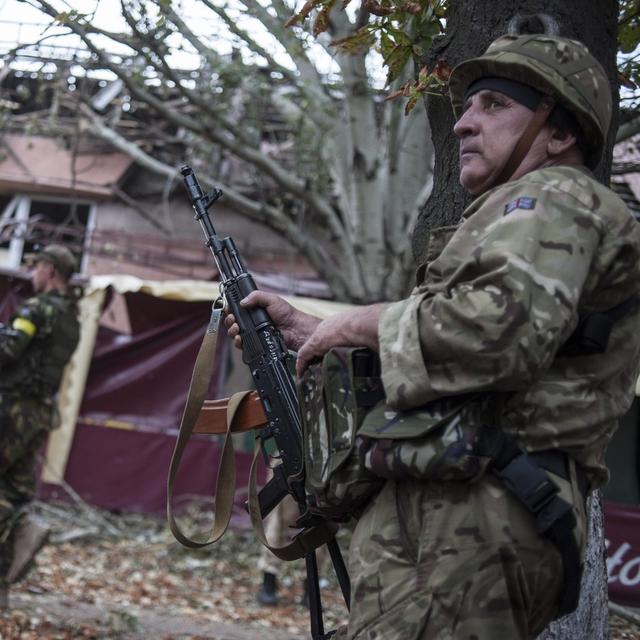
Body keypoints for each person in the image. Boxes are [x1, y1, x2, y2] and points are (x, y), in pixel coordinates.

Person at [226, 33, 640, 639]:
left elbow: (498, 332)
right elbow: (466, 338)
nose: (464, 124)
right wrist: (314, 333)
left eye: (495, 105)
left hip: (477, 518)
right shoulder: (512, 215)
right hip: (452, 520)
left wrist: (357, 322)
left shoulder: (558, 196)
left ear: (559, 132)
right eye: (467, 107)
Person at [0, 244, 80, 608]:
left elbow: (9, 351)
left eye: (36, 267)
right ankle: (6, 575)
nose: (32, 273)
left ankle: (23, 531)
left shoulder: (38, 309)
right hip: (38, 416)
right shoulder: (71, 319)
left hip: (11, 410)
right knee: (14, 491)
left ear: (49, 270)